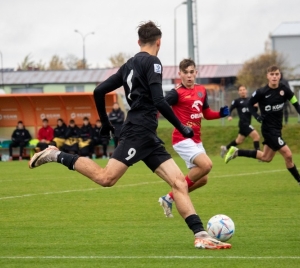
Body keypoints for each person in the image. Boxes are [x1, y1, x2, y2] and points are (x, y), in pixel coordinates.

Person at [29, 21, 231, 249]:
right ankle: (55, 155)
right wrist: (182, 127)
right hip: (137, 132)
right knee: (106, 178)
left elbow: (99, 90)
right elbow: (158, 100)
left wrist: (105, 123)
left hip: (147, 134)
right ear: (159, 42)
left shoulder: (129, 64)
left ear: (138, 42)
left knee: (178, 183)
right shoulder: (153, 62)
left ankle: (201, 235)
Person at [158, 58, 229, 218]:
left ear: (196, 73)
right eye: (185, 72)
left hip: (196, 140)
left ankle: (168, 198)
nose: (189, 76)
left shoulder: (201, 90)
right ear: (180, 74)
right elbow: (160, 106)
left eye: (192, 72)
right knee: (207, 165)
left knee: (203, 179)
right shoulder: (176, 93)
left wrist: (220, 114)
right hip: (181, 138)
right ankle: (171, 196)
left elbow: (206, 114)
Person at [225, 65, 300, 186]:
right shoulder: (261, 92)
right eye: (272, 74)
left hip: (277, 129)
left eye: (277, 74)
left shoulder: (284, 90)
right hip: (268, 129)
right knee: (288, 154)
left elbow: (296, 104)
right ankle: (299, 180)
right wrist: (257, 116)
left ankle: (237, 152)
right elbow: (250, 104)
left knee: (266, 158)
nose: (274, 77)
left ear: (280, 75)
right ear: (267, 76)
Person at [220, 85, 260, 158]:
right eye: (240, 90)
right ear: (238, 92)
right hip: (243, 123)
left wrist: (256, 107)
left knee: (239, 141)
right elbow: (230, 108)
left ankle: (225, 148)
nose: (242, 91)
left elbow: (253, 111)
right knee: (256, 136)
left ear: (246, 90)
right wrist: (229, 116)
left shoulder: (250, 100)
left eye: (244, 89)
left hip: (247, 123)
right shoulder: (237, 101)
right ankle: (258, 155)